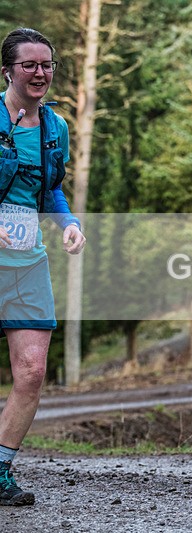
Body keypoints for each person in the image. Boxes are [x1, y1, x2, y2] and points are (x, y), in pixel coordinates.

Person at [0, 27, 86, 505]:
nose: (40, 73)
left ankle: (0, 470)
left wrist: (69, 224)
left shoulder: (56, 128)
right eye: (29, 64)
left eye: (47, 64)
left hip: (28, 263)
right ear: (8, 70)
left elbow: (51, 189)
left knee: (31, 372)